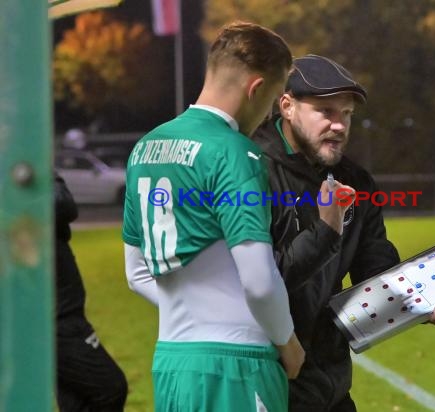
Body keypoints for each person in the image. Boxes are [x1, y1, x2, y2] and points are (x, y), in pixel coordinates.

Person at [251, 54, 435, 412]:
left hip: (331, 387)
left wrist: (426, 301)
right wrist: (326, 229)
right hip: (266, 385)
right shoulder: (249, 171)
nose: (339, 125)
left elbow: (377, 273)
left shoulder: (356, 182)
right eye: (326, 111)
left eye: (347, 114)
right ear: (287, 106)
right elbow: (257, 281)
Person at [122, 22, 305, 411]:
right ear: (256, 88)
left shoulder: (145, 148)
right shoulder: (234, 152)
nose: (269, 112)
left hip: (172, 362)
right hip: (236, 367)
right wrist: (287, 341)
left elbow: (136, 274)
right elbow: (258, 281)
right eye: (273, 99)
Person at [55, 173, 128, 411]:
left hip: (57, 310)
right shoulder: (17, 175)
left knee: (75, 398)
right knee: (110, 387)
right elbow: (62, 204)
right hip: (56, 318)